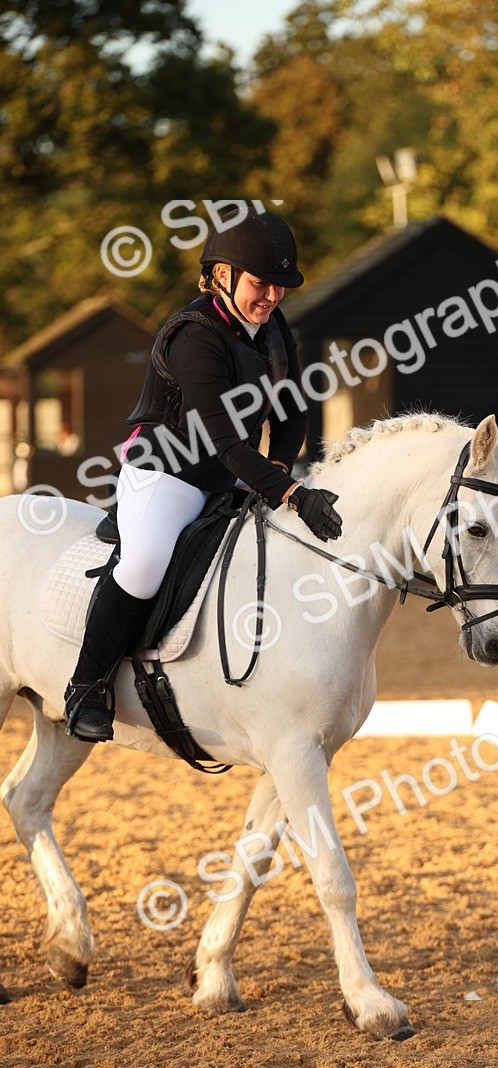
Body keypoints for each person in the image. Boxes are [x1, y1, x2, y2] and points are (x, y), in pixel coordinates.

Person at [64, 208, 342, 743]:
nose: (272, 297)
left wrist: (280, 469)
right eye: (261, 284)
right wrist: (287, 493)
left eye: (280, 287)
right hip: (166, 473)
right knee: (144, 566)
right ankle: (86, 686)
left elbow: (292, 413)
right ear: (222, 275)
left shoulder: (274, 328)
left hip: (230, 471)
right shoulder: (193, 336)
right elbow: (223, 440)